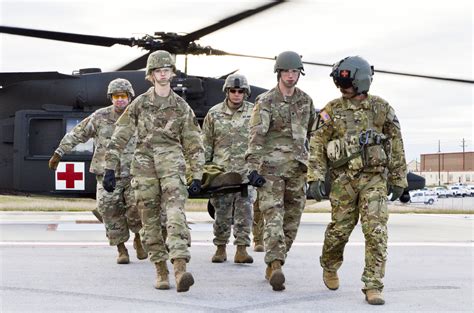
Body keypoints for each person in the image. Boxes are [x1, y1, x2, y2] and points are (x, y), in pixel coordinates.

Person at [307, 56, 408, 305]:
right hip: (343, 181)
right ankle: (330, 264)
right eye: (340, 84)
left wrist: (399, 179)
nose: (343, 88)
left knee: (376, 231)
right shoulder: (331, 110)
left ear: (361, 81)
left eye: (347, 83)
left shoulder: (382, 108)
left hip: (374, 180)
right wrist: (315, 176)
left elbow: (396, 143)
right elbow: (317, 144)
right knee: (339, 231)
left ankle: (373, 285)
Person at [103, 50, 204, 293]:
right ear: (151, 75)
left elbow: (194, 142)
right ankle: (160, 270)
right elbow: (120, 136)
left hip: (172, 165)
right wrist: (109, 167)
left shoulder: (181, 107)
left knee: (175, 215)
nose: (163, 74)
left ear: (172, 73)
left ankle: (180, 268)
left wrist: (197, 174)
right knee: (149, 221)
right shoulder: (138, 105)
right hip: (144, 167)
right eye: (158, 70)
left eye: (166, 69)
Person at [48, 78, 146, 264]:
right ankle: (121, 249)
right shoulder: (100, 117)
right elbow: (78, 133)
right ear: (111, 98)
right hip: (107, 176)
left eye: (123, 96)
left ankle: (139, 239)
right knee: (109, 211)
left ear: (130, 97)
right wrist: (59, 152)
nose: (120, 100)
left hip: (135, 174)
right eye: (116, 96)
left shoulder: (139, 116)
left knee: (137, 210)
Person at [245, 51, 317, 291]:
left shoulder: (306, 101)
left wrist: (316, 171)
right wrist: (253, 168)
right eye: (287, 71)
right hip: (271, 170)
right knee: (273, 216)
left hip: (298, 170)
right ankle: (275, 265)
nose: (290, 76)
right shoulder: (266, 101)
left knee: (292, 220)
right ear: (279, 73)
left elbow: (314, 135)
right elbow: (256, 136)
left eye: (295, 72)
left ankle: (276, 261)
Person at [202, 73, 256, 264]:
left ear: (245, 93)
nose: (236, 94)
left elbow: (259, 141)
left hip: (245, 174)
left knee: (245, 213)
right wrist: (205, 171)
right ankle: (220, 248)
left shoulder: (254, 113)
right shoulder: (214, 114)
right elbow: (206, 143)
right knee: (221, 213)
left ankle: (242, 249)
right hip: (222, 174)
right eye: (233, 91)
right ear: (227, 92)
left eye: (240, 91)